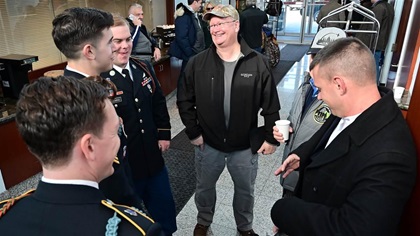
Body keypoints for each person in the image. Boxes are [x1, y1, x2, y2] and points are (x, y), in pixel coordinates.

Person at [270, 37, 416, 236]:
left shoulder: (390, 155)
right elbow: (331, 134)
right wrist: (304, 153)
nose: (318, 97)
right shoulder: (354, 106)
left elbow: (355, 229)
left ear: (339, 85)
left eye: (320, 89)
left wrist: (284, 212)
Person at [0, 76, 164, 235]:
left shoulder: (5, 214)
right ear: (89, 147)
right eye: (115, 132)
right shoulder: (133, 230)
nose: (119, 141)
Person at [177, 5, 281, 236]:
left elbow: (270, 105)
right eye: (212, 25)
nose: (215, 29)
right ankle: (203, 222)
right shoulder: (198, 62)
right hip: (208, 143)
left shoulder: (257, 62)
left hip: (244, 144)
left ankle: (244, 228)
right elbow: (184, 100)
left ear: (236, 25)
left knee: (245, 191)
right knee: (204, 188)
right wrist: (193, 133)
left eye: (220, 23)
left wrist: (270, 138)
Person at [52, 7, 143, 209]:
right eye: (110, 42)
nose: (116, 49)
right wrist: (132, 207)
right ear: (90, 51)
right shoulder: (80, 102)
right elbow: (101, 170)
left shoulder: (85, 87)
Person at [101, 14, 176, 236]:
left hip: (152, 158)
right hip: (125, 165)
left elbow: (158, 102)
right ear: (106, 44)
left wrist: (164, 134)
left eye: (127, 40)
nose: (124, 46)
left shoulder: (143, 67)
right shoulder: (100, 80)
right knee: (131, 222)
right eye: (117, 41)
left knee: (164, 210)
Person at [276, 27, 348, 198]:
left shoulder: (342, 103)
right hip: (291, 173)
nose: (317, 66)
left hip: (313, 184)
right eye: (315, 57)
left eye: (326, 61)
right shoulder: (307, 84)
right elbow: (294, 117)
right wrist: (283, 130)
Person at [356, 0, 394, 84]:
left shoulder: (379, 8)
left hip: (373, 43)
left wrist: (362, 44)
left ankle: (372, 86)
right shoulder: (389, 7)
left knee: (372, 66)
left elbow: (371, 28)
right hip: (379, 42)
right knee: (374, 65)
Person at [168, 0, 205, 77]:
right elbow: (181, 37)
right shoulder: (183, 15)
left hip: (196, 53)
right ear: (195, 2)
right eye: (200, 3)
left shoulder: (194, 15)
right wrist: (189, 54)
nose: (201, 5)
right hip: (190, 54)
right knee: (185, 79)